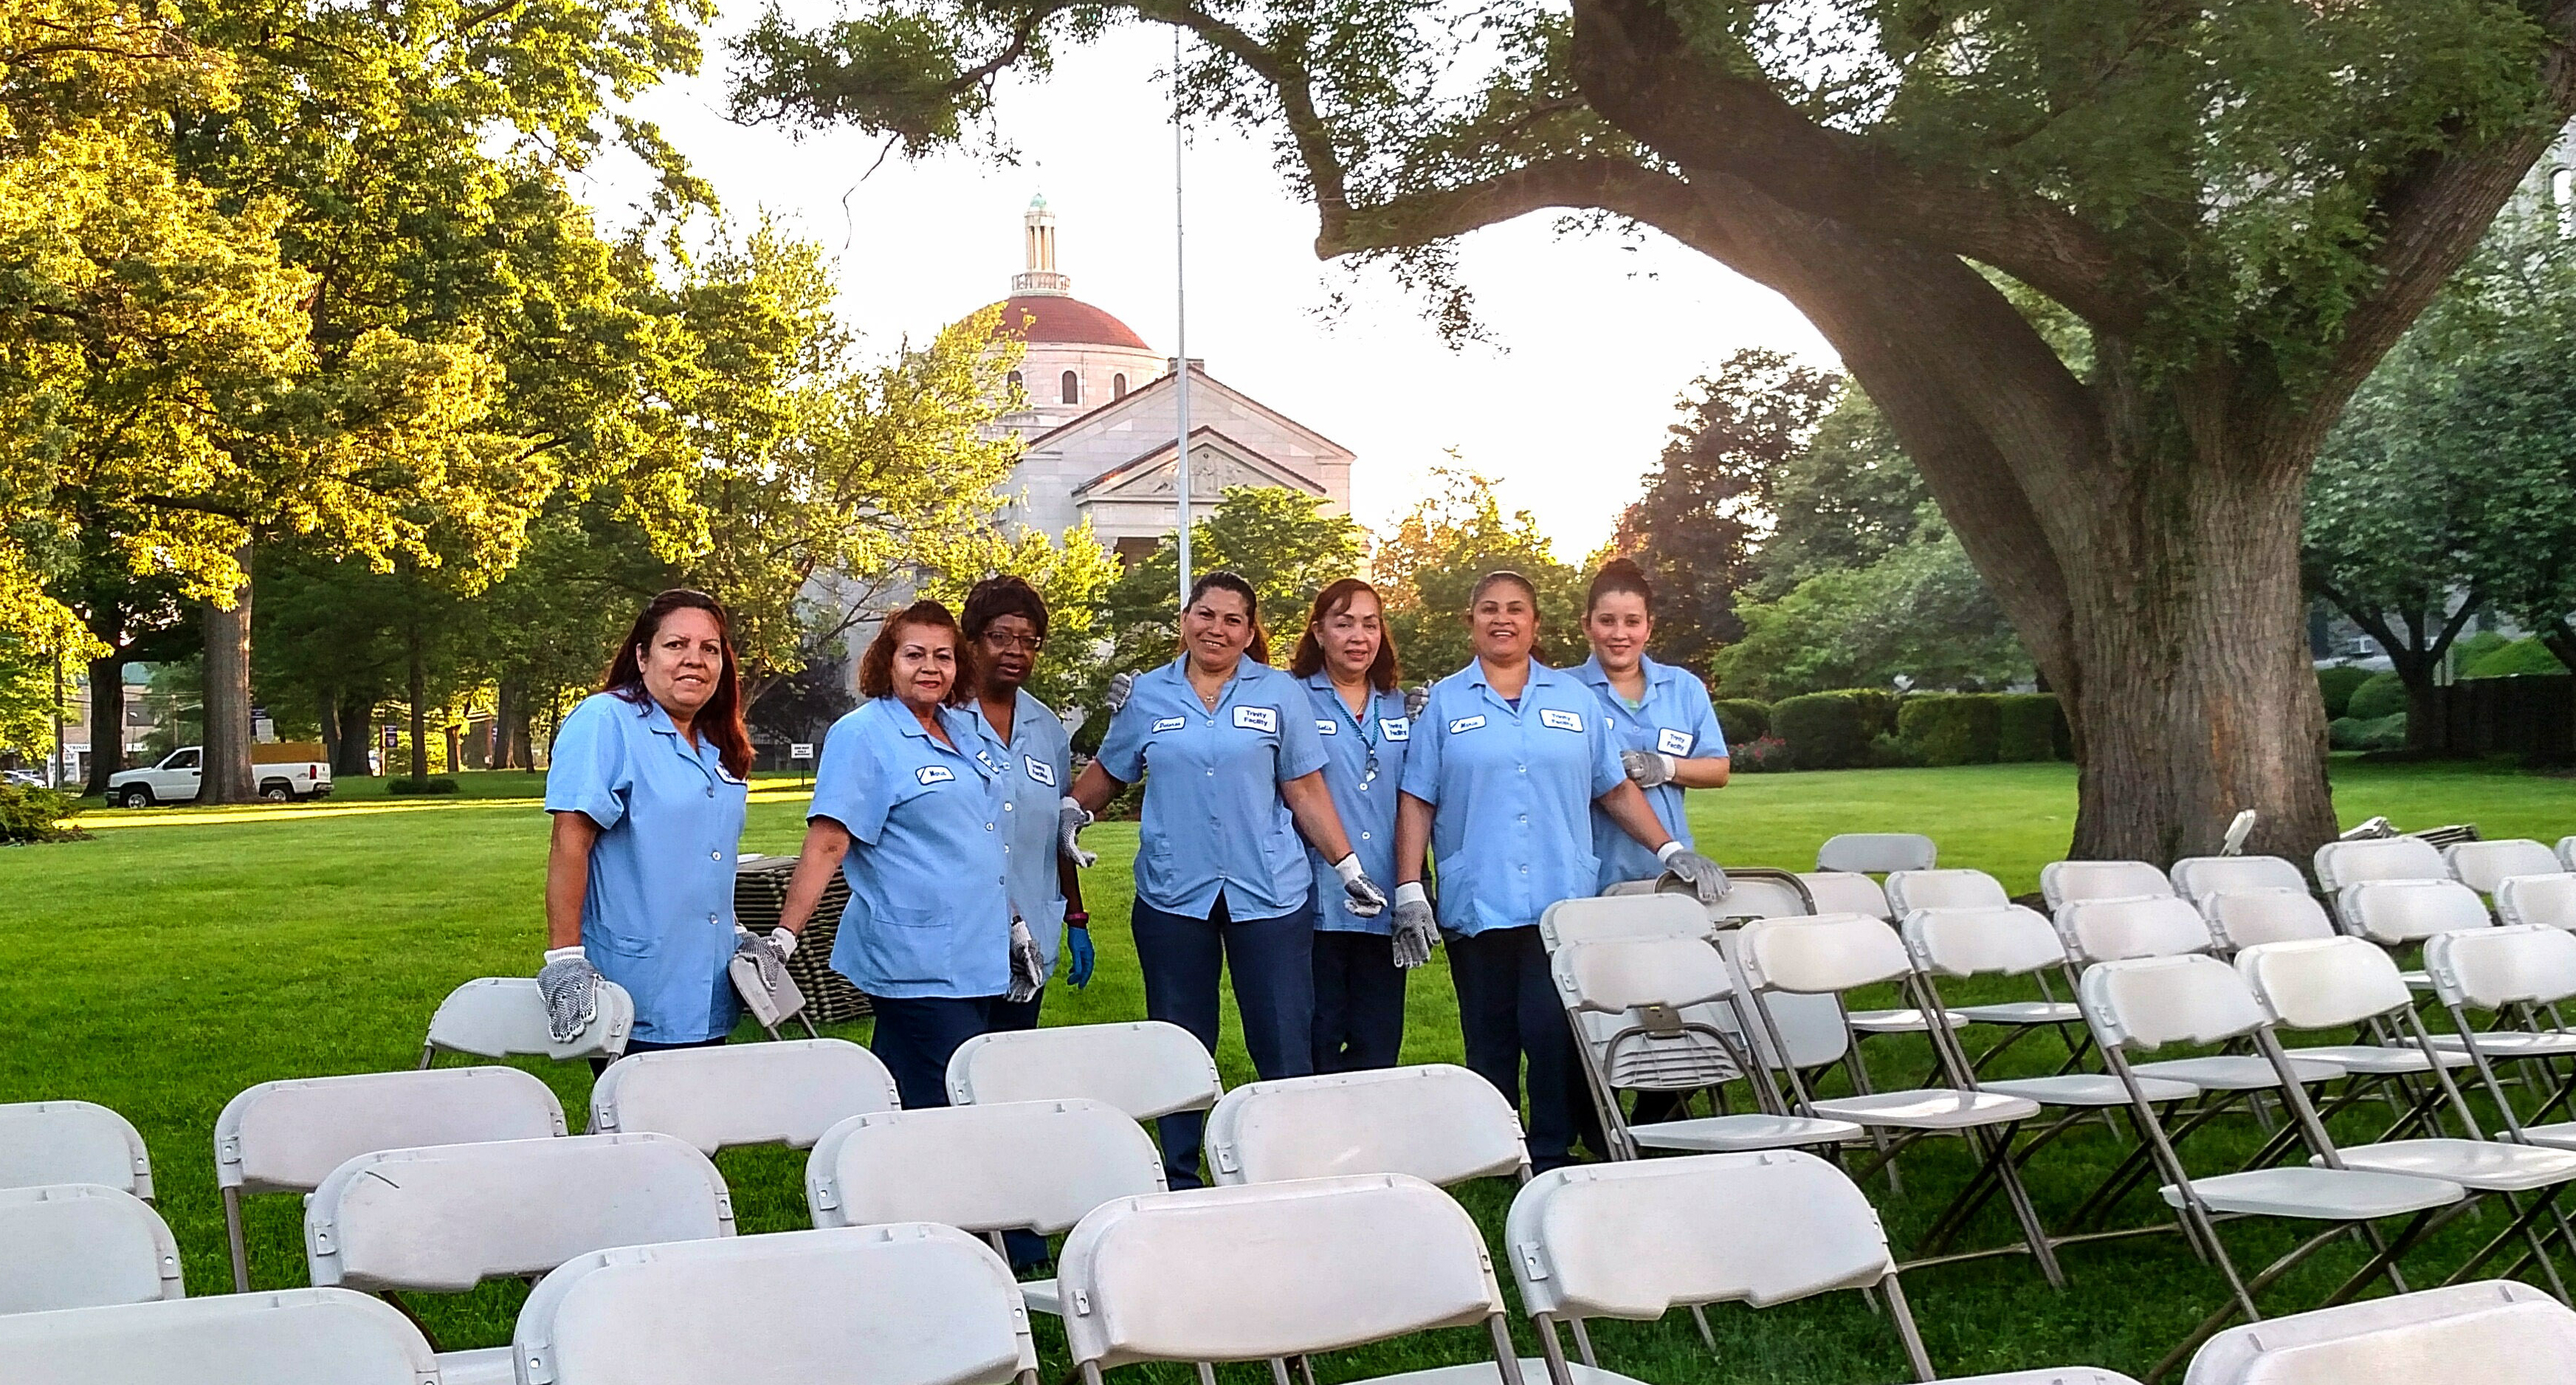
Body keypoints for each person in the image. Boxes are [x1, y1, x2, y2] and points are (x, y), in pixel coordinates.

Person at [1059, 571, 1390, 1187]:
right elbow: (1111, 770)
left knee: (1283, 1039)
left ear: (1249, 631)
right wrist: (1071, 813)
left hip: (1268, 891)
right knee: (1180, 1044)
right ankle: (1181, 1176)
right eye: (1206, 615)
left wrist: (1347, 866)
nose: (1218, 629)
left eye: (1233, 619)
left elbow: (1304, 786)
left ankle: (1292, 1169)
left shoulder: (1280, 694)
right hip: (1173, 893)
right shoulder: (1149, 695)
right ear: (1185, 619)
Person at [1391, 570, 1726, 1171]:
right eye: (1489, 608)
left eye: (1516, 609)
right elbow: (1418, 796)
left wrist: (1671, 850)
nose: (1503, 619)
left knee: (1553, 1033)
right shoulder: (1444, 702)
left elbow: (1615, 790)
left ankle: (1550, 1149)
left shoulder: (1574, 700)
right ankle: (1493, 1150)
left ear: (1535, 623)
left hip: (1562, 901)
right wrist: (1410, 887)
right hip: (1480, 894)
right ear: (1470, 621)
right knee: (1490, 1039)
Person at [774, 599, 1042, 1112]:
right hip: (916, 959)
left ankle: (883, 1177)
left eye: (943, 656)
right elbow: (830, 840)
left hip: (976, 951)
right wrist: (784, 939)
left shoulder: (961, 729)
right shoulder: (864, 735)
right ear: (886, 662)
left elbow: (977, 838)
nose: (930, 668)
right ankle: (937, 1186)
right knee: (952, 1098)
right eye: (914, 655)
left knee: (911, 1092)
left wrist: (1014, 927)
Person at [540, 590, 768, 1060]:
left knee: (702, 1129)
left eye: (709, 649)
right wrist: (564, 959)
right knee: (642, 1127)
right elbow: (570, 842)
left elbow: (704, 858)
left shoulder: (715, 741)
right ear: (642, 656)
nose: (694, 660)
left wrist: (738, 932)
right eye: (676, 645)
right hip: (636, 983)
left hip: (708, 984)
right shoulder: (607, 720)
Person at [1286, 577, 1435, 1072]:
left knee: (1378, 1045)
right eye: (1343, 622)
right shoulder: (1292, 700)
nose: (1358, 636)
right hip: (1315, 902)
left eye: (1370, 624)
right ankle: (1316, 1145)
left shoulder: (1402, 706)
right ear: (1319, 632)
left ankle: (1369, 1145)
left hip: (1386, 900)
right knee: (1318, 1041)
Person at [960, 575, 1093, 1027]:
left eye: (1029, 641)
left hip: (1030, 942)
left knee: (1005, 1076)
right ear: (972, 642)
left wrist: (1076, 917)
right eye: (1000, 637)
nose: (1015, 651)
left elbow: (1059, 834)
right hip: (954, 940)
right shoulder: (940, 719)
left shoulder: (1047, 729)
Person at [1574, 557, 1732, 891]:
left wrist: (1665, 766)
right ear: (1587, 625)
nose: (1620, 634)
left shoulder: (1683, 688)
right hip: (1595, 872)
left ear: (1649, 626)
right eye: (1607, 621)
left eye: (1632, 622)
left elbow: (1718, 769)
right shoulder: (1564, 691)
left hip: (1673, 870)